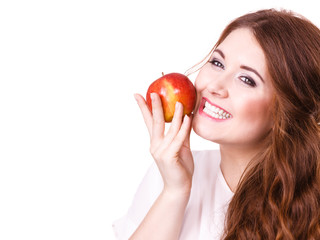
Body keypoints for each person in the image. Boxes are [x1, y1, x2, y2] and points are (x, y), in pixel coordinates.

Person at [113, 9, 320, 240]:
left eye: (247, 79)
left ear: (288, 110)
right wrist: (175, 191)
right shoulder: (168, 174)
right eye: (217, 63)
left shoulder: (311, 206)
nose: (214, 86)